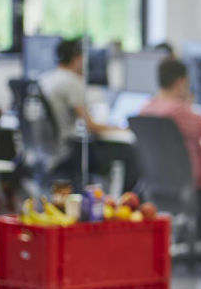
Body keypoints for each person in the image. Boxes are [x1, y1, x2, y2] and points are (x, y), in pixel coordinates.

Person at [138, 58, 201, 238]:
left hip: (158, 183)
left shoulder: (146, 109)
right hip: (193, 183)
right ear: (181, 82)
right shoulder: (180, 112)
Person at [38, 38, 139, 190]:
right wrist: (121, 128)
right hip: (70, 152)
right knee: (129, 152)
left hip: (50, 151)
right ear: (78, 59)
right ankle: (126, 204)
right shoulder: (71, 82)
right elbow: (91, 126)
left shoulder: (45, 79)